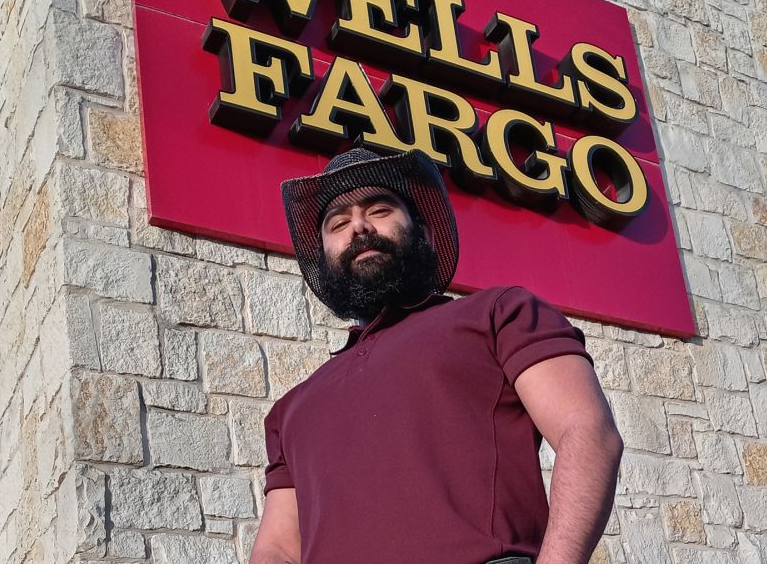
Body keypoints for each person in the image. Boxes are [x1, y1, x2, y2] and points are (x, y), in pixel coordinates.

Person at [250, 148, 623, 564]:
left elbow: (587, 432)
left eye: (379, 209)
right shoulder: (291, 410)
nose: (358, 226)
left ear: (424, 235)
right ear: (325, 258)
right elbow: (278, 548)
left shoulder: (498, 312)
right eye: (338, 222)